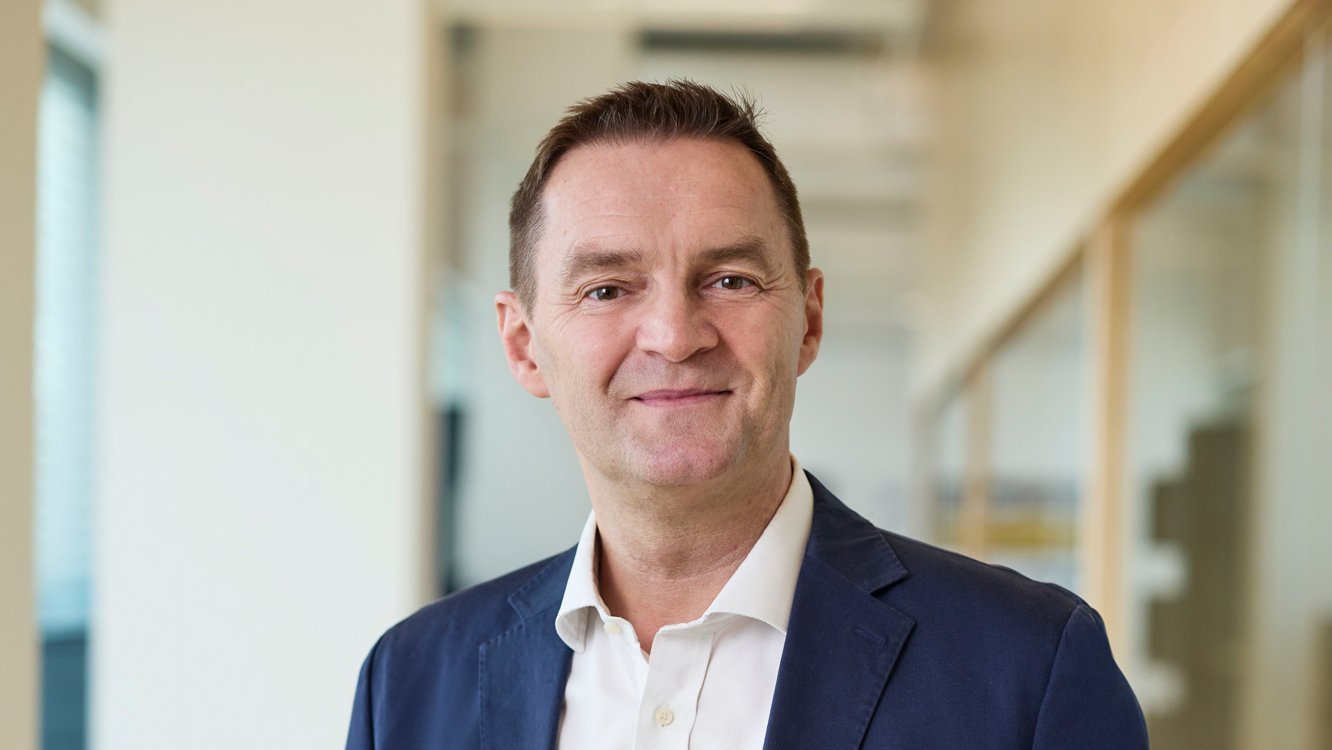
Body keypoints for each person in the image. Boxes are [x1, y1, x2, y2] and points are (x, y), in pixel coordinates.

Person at [345, 80, 1148, 749]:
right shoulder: (409, 685)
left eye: (729, 280)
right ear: (523, 346)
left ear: (809, 319)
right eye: (607, 289)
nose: (675, 336)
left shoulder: (1028, 668)